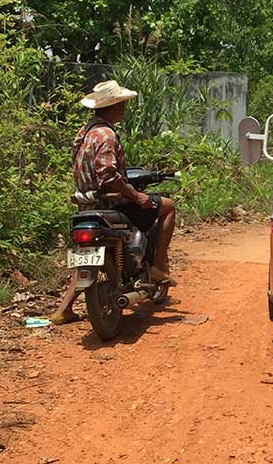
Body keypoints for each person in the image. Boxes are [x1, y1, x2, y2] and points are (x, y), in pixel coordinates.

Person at [50, 80, 177, 325]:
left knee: (87, 259)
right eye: (122, 104)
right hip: (112, 204)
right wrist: (135, 194)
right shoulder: (107, 134)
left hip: (87, 205)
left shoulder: (85, 131)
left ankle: (63, 310)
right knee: (168, 206)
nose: (125, 108)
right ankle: (160, 265)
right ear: (114, 106)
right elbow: (107, 174)